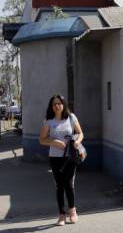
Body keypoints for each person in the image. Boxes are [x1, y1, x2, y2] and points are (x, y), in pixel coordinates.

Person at [39, 94, 84, 226]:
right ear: (51, 106)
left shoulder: (71, 117)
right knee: (59, 186)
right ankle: (61, 215)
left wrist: (77, 141)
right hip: (55, 158)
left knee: (69, 184)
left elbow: (80, 133)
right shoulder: (48, 120)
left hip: (70, 156)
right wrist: (54, 142)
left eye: (59, 103)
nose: (57, 106)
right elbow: (42, 139)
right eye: (54, 104)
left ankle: (72, 211)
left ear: (63, 104)